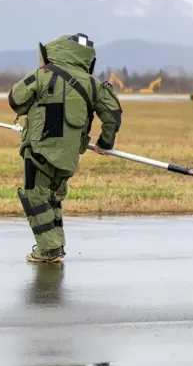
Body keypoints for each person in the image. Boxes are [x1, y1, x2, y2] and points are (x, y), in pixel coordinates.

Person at [8, 33, 123, 264]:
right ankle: (56, 247)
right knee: (53, 197)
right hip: (69, 154)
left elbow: (15, 100)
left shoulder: (43, 74)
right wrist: (105, 143)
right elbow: (113, 114)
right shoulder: (94, 84)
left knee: (35, 197)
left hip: (39, 148)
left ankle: (48, 250)